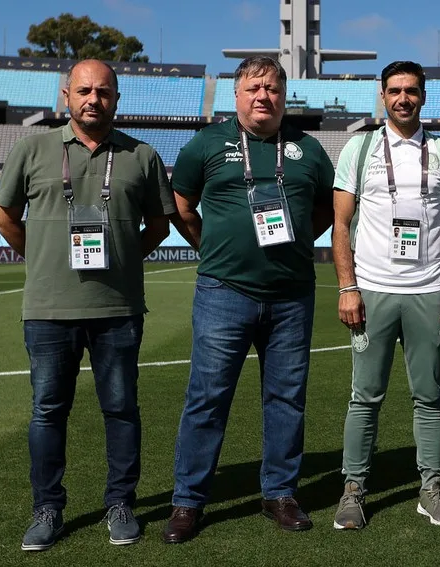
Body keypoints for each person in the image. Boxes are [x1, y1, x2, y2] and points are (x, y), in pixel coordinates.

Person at [0, 59, 175, 551]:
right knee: (48, 411)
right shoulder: (33, 148)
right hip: (49, 308)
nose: (94, 99)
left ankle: (121, 503)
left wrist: (123, 257)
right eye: (84, 91)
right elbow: (5, 217)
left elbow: (160, 223)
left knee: (120, 409)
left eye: (104, 92)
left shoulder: (141, 154)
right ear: (66, 95)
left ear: (117, 99)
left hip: (117, 308)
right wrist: (43, 258)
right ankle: (47, 508)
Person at [163, 55, 335, 543]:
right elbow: (181, 204)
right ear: (236, 95)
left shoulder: (307, 149)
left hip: (291, 295)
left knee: (286, 399)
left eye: (273, 89)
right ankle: (188, 501)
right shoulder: (207, 144)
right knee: (207, 398)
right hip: (224, 291)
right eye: (254, 88)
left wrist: (300, 238)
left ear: (285, 97)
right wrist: (210, 246)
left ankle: (279, 493)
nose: (264, 96)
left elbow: (328, 208)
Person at [331, 61, 440, 530]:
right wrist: (347, 288)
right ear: (382, 96)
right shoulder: (360, 147)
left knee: (429, 396)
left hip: (428, 290)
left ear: (423, 96)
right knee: (364, 397)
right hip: (372, 291)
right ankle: (353, 490)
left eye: (411, 90)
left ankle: (431, 488)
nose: (403, 98)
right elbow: (341, 224)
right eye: (394, 91)